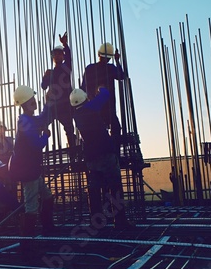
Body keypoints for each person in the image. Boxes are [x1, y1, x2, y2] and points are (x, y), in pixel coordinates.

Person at [70, 87, 133, 231]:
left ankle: (96, 223)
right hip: (106, 153)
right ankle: (120, 221)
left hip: (91, 157)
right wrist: (100, 88)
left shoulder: (76, 115)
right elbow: (105, 94)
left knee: (94, 190)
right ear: (85, 99)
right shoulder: (90, 107)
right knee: (115, 187)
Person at [8, 85, 55, 251]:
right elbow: (36, 144)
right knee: (31, 207)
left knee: (48, 196)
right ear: (25, 104)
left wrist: (48, 103)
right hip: (28, 171)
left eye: (34, 99)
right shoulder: (25, 122)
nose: (34, 101)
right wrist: (46, 136)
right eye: (31, 100)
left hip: (33, 169)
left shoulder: (28, 119)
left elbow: (42, 119)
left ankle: (48, 229)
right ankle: (26, 244)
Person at [80, 42, 125, 153]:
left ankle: (110, 154)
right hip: (103, 107)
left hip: (99, 107)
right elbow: (122, 76)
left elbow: (121, 77)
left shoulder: (95, 68)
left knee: (103, 131)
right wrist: (118, 61)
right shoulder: (107, 68)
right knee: (112, 129)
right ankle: (114, 154)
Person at [41, 32, 76, 157]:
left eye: (59, 54)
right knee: (42, 124)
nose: (56, 56)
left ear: (63, 55)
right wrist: (45, 77)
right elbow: (43, 86)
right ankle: (38, 150)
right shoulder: (51, 72)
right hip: (53, 105)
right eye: (54, 55)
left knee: (69, 131)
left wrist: (65, 45)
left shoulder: (66, 67)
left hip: (65, 105)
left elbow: (69, 58)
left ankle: (73, 155)